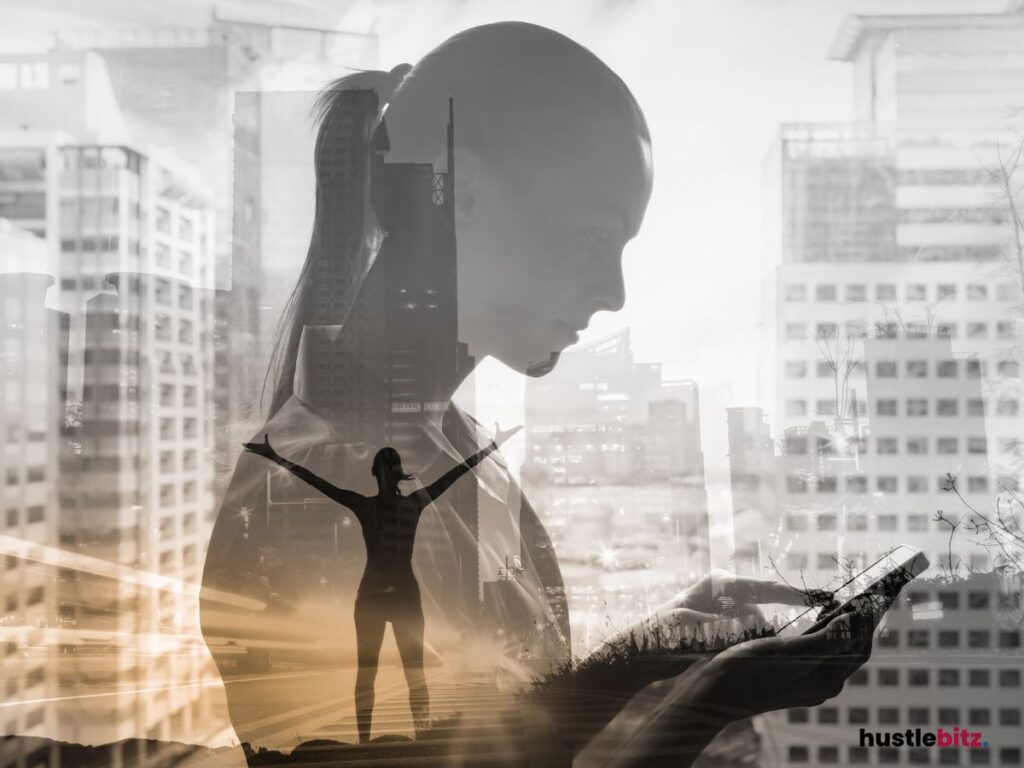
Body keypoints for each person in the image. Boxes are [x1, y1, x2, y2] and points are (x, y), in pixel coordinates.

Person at [201, 21, 871, 766]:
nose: (613, 293)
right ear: (463, 192)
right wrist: (704, 703)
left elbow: (492, 741)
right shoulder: (314, 498)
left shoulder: (454, 447)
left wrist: (641, 654)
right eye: (593, 239)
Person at [240, 425, 521, 743]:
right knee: (369, 672)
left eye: (392, 463)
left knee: (412, 673)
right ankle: (366, 742)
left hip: (395, 598)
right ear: (379, 473)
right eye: (387, 464)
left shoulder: (403, 505)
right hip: (379, 598)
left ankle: (421, 737)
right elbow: (318, 483)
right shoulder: (374, 505)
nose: (389, 469)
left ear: (393, 472)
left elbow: (454, 474)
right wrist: (276, 457)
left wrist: (489, 448)